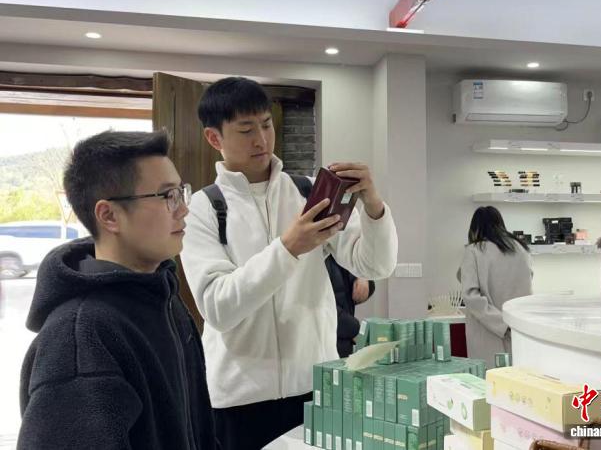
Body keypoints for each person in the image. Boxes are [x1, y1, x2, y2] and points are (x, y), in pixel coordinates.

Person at [181, 77, 398, 449]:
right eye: (246, 130)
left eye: (266, 125)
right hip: (238, 398)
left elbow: (375, 266)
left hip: (316, 386)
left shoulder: (307, 192)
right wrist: (288, 248)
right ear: (214, 138)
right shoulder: (202, 208)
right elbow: (218, 308)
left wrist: (374, 207)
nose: (261, 140)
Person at [18, 130, 217, 450]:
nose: (183, 209)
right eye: (168, 196)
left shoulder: (164, 298)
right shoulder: (81, 336)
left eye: (182, 192)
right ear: (109, 215)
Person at [458, 206, 532, 367]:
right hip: (517, 329)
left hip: (487, 330)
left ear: (475, 227)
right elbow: (527, 287)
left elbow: (470, 295)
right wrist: (512, 323)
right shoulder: (521, 249)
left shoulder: (474, 250)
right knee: (517, 375)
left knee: (488, 377)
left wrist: (501, 323)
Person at [326, 254, 375, 357]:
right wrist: (355, 329)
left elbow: (353, 290)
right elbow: (325, 308)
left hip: (344, 343)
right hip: (325, 343)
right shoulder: (311, 257)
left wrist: (364, 278)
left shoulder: (338, 252)